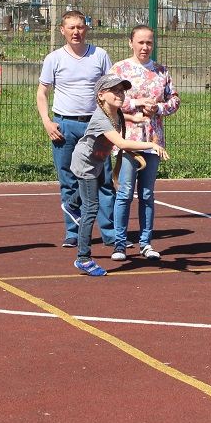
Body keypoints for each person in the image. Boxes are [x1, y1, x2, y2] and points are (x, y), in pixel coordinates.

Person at [69, 74, 169, 276]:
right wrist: (151, 144)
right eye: (114, 90)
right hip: (85, 164)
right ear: (101, 95)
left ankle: (71, 203)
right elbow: (121, 143)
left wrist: (135, 118)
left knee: (90, 195)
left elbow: (120, 133)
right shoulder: (100, 118)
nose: (120, 94)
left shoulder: (118, 113)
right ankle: (83, 258)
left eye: (122, 90)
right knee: (91, 208)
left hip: (96, 162)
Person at [36, 10, 116, 251]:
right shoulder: (54, 59)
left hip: (96, 126)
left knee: (103, 179)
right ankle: (74, 233)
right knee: (69, 181)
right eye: (71, 27)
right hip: (64, 126)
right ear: (62, 30)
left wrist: (112, 122)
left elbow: (111, 90)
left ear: (86, 28)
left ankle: (110, 234)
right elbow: (42, 92)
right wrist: (47, 121)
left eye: (80, 27)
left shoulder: (100, 55)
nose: (76, 32)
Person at [109, 25, 180, 261]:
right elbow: (111, 100)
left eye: (149, 42)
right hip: (128, 140)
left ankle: (146, 243)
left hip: (154, 141)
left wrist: (158, 107)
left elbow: (174, 100)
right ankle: (119, 244)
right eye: (140, 42)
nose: (145, 47)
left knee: (147, 193)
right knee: (125, 192)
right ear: (131, 43)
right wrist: (138, 103)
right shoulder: (120, 69)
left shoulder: (162, 71)